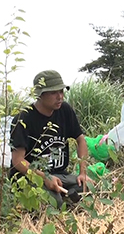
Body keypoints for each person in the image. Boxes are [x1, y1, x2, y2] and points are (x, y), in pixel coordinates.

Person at [9, 70, 93, 208]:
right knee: (55, 203)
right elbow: (18, 161)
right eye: (54, 93)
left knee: (87, 187)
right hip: (30, 177)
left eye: (61, 91)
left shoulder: (65, 110)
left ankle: (66, 199)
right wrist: (44, 178)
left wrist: (83, 172)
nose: (60, 97)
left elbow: (81, 140)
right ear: (40, 95)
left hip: (59, 175)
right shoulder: (23, 119)